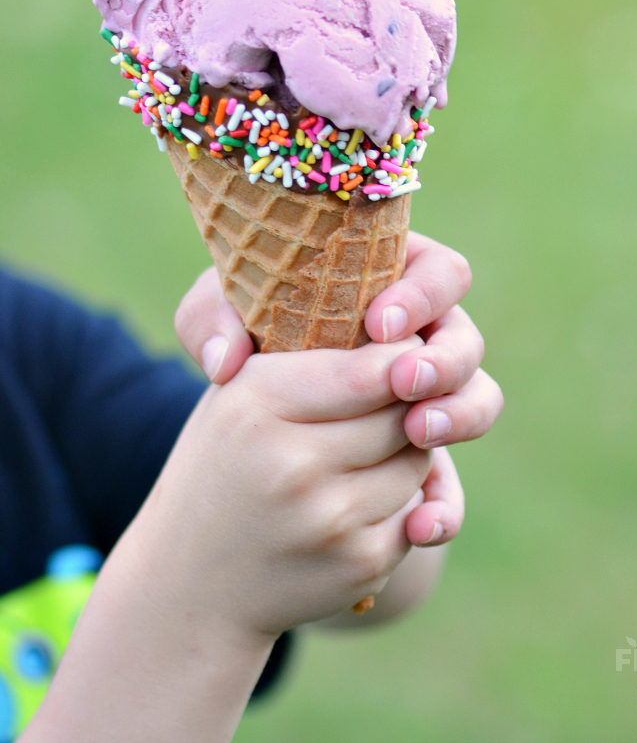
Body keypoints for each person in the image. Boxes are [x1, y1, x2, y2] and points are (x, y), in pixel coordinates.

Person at [0, 232, 501, 743]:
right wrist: (198, 606)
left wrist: (356, 380)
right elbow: (224, 544)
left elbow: (373, 571)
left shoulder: (24, 341)